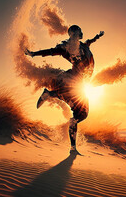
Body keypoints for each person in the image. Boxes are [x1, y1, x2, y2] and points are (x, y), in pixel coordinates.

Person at [25, 25, 104, 154]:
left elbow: (89, 41)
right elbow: (50, 51)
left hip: (79, 82)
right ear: (73, 34)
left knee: (81, 112)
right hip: (74, 80)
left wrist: (97, 37)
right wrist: (34, 54)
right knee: (79, 109)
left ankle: (50, 95)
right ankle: (51, 95)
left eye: (77, 32)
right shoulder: (66, 48)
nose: (77, 34)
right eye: (74, 33)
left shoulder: (84, 45)